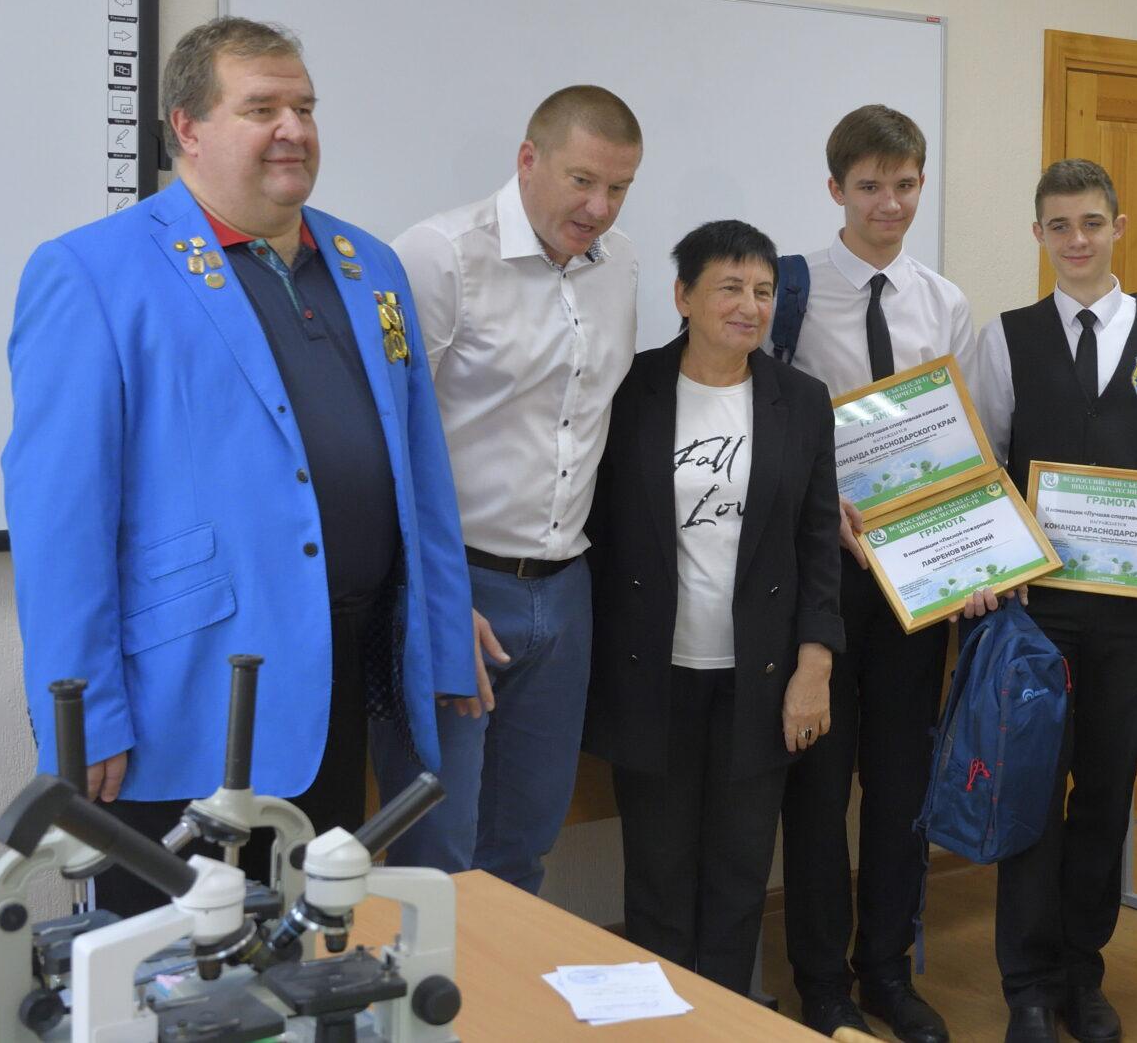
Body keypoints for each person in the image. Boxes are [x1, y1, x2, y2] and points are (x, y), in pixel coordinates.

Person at [3, 17, 474, 912]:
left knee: (307, 939)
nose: (294, 128)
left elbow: (420, 469)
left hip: (342, 678)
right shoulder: (92, 272)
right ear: (186, 126)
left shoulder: (368, 264)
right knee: (167, 961)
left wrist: (443, 639)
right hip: (185, 696)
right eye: (262, 108)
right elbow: (59, 518)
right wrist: (83, 710)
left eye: (305, 107)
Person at [371, 86, 643, 892]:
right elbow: (384, 438)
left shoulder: (622, 264)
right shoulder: (439, 256)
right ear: (528, 160)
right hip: (457, 585)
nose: (599, 208)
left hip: (563, 592)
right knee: (437, 853)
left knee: (525, 842)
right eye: (582, 180)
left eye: (620, 187)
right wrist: (435, 596)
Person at [965, 159, 1137, 1043]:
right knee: (1031, 795)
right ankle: (1028, 984)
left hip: (1132, 615)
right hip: (1032, 616)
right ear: (1038, 235)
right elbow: (985, 465)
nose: (1077, 240)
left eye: (1092, 223)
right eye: (1060, 225)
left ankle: (1083, 971)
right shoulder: (1006, 337)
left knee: (1105, 796)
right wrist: (991, 565)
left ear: (1119, 227)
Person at [582, 220, 845, 992]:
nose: (750, 305)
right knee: (657, 875)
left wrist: (814, 665)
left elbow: (817, 543)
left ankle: (728, 1014)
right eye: (730, 286)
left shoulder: (802, 400)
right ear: (683, 296)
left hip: (758, 677)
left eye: (763, 290)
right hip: (652, 673)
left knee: (739, 876)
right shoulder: (630, 391)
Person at [778, 104, 976, 1042]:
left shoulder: (944, 301)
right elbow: (764, 430)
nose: (888, 203)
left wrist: (973, 554)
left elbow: (964, 444)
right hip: (821, 577)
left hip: (917, 577)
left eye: (904, 185)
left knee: (901, 786)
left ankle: (887, 969)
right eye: (869, 186)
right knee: (819, 791)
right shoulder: (788, 291)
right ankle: (822, 982)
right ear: (836, 189)